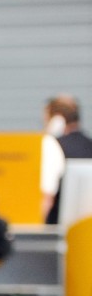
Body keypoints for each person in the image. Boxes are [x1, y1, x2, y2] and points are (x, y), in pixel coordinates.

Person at [40, 94, 92, 224]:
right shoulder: (89, 144)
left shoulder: (52, 145)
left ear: (56, 120)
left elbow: (48, 196)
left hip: (59, 228)